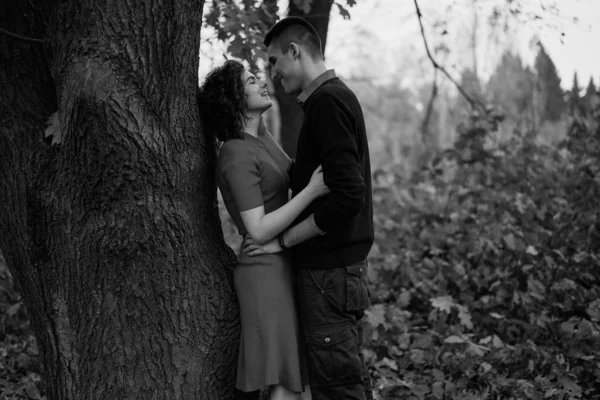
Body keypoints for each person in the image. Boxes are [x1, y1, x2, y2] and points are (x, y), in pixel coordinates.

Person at [243, 17, 374, 400]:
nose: (271, 73)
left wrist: (282, 241)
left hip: (329, 273)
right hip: (334, 273)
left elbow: (349, 196)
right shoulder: (329, 99)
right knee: (342, 381)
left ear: (295, 52)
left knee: (338, 390)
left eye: (272, 61)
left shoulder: (328, 102)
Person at [197, 60, 328, 400]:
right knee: (284, 383)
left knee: (295, 381)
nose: (263, 83)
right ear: (234, 98)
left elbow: (291, 173)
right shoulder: (236, 153)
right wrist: (314, 192)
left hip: (282, 263)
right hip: (263, 272)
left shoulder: (259, 139)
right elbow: (256, 228)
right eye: (251, 81)